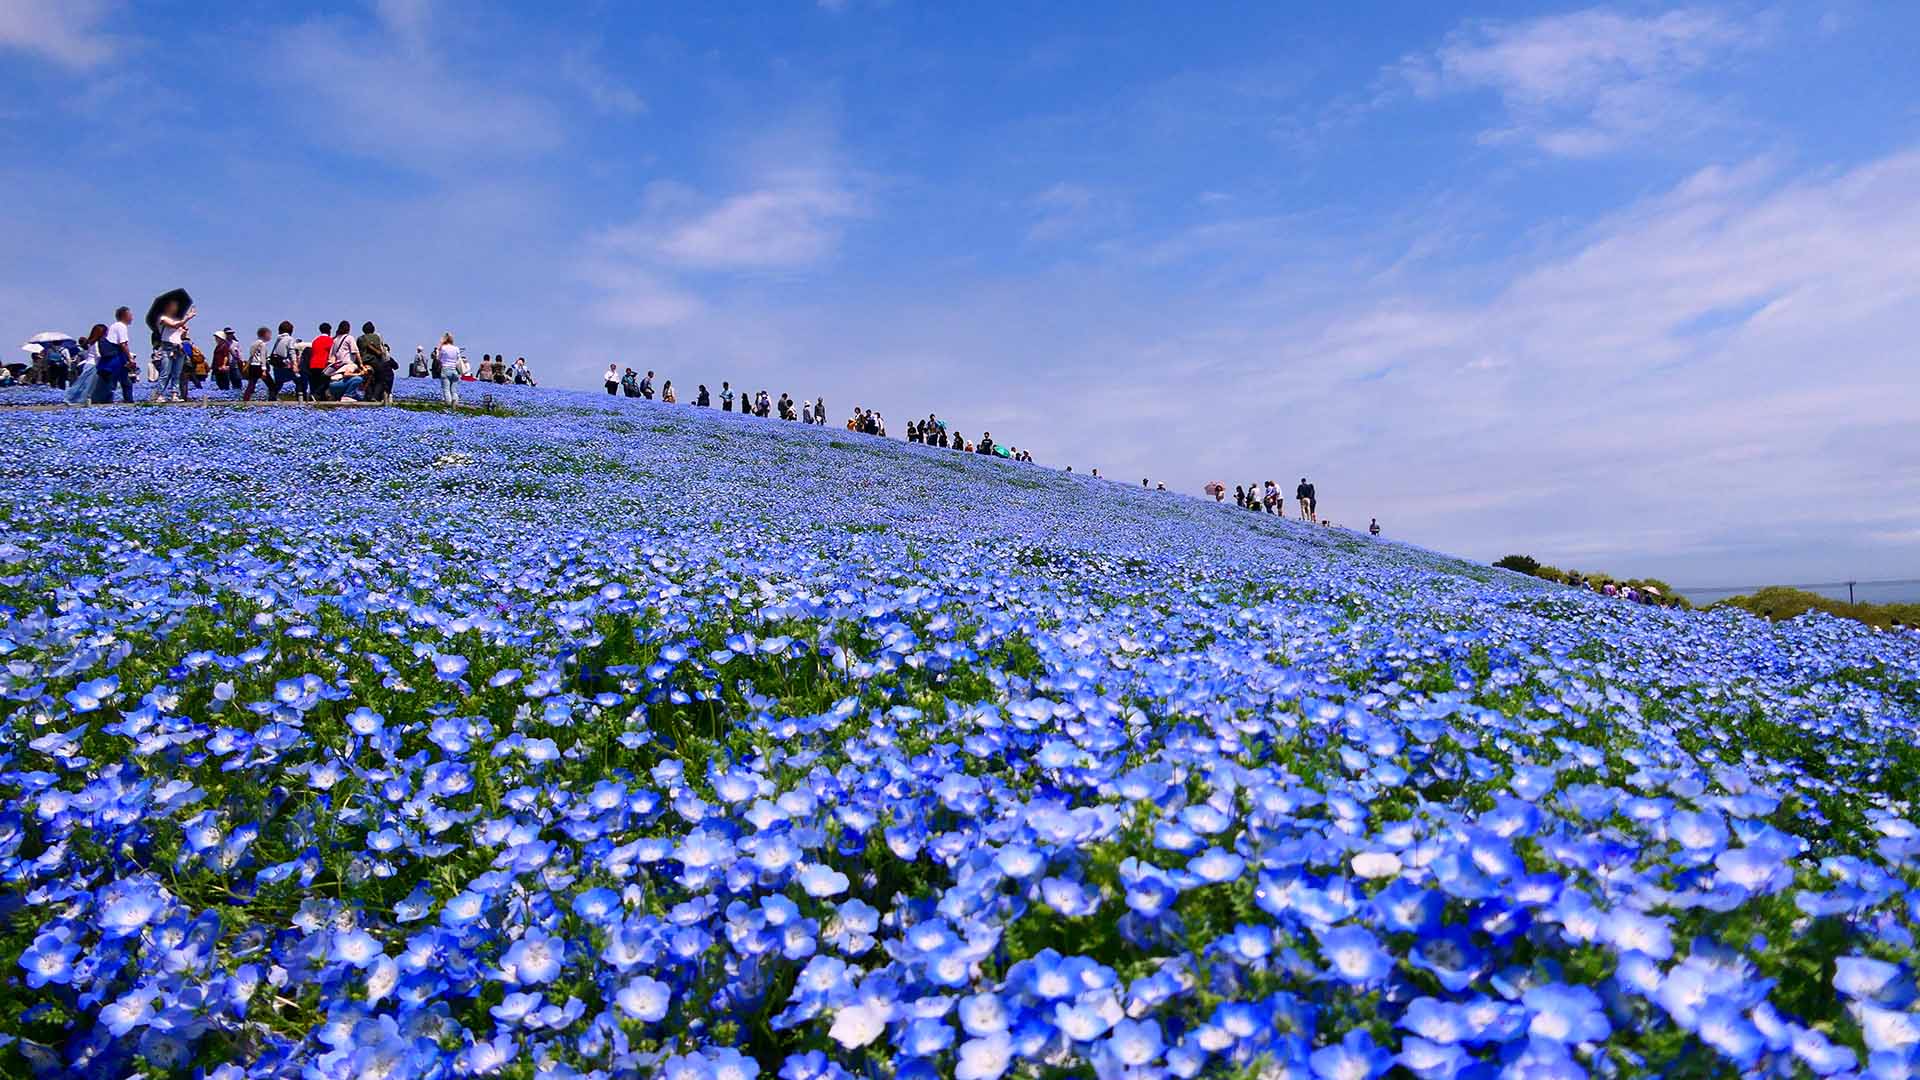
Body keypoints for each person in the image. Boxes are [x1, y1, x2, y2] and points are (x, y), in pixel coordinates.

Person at [149, 297, 195, 402]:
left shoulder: (179, 321)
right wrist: (188, 317)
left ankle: (175, 394)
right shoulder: (163, 318)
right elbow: (174, 325)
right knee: (165, 372)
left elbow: (181, 336)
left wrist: (184, 332)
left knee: (176, 373)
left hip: (179, 348)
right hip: (167, 347)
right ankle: (159, 394)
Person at [66, 325, 106, 405]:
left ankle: (80, 399)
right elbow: (98, 355)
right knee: (85, 383)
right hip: (93, 364)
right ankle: (72, 399)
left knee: (84, 382)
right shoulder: (97, 343)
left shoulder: (91, 342)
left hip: (88, 363)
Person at [360, 322, 393, 402]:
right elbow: (379, 351)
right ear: (373, 330)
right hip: (375, 362)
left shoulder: (360, 338)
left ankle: (368, 395)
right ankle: (375, 396)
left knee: (365, 379)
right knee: (381, 379)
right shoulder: (376, 337)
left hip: (364, 362)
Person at [242, 326, 272, 401]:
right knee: (271, 385)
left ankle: (245, 400)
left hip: (252, 366)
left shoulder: (254, 343)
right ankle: (272, 400)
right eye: (269, 334)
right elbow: (262, 357)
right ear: (265, 335)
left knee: (251, 384)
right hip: (260, 366)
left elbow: (251, 355)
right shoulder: (262, 344)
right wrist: (264, 370)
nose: (270, 336)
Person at [308, 322, 335, 403]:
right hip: (322, 364)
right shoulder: (329, 340)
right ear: (329, 331)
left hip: (313, 364)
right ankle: (316, 394)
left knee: (316, 382)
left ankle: (316, 396)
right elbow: (332, 352)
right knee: (325, 382)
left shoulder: (315, 340)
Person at [436, 333, 462, 405]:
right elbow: (458, 359)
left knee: (446, 390)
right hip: (454, 370)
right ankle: (455, 405)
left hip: (445, 370)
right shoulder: (456, 348)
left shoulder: (443, 348)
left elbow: (438, 358)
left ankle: (449, 406)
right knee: (454, 391)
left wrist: (440, 345)